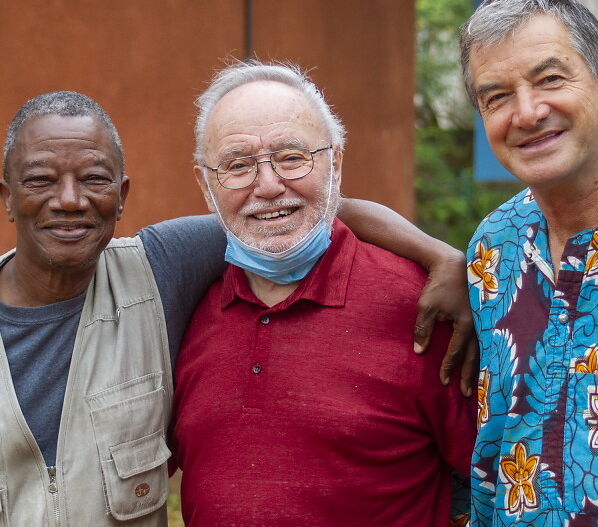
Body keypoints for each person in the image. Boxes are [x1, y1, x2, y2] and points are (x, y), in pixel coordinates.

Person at [0, 91, 472, 525]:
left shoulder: (158, 270)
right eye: (40, 180)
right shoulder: (185, 281)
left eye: (292, 158)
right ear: (7, 197)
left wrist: (445, 258)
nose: (69, 200)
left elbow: (307, 206)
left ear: (121, 196)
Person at [169, 61, 477, 526]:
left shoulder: (426, 308)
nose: (268, 186)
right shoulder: (181, 309)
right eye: (238, 165)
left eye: (292, 158)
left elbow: (500, 483)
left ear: (335, 163)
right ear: (205, 184)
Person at [461, 0, 598, 526]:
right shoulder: (493, 245)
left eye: (550, 79)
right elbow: (494, 446)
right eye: (496, 97)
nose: (527, 112)